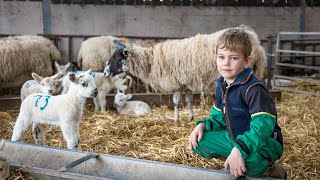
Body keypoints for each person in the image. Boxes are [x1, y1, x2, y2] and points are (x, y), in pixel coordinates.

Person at [188, 27, 287, 179]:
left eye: (233, 58)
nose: (226, 63)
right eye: (221, 57)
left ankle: (270, 170)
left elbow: (262, 128)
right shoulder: (222, 86)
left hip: (264, 142)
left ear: (246, 61)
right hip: (236, 136)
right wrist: (202, 125)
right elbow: (219, 117)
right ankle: (237, 159)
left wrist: (240, 149)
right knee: (199, 142)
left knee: (249, 158)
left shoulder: (254, 89)